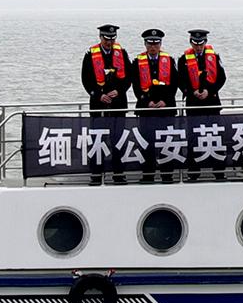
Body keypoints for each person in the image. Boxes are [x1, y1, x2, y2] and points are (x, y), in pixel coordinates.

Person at [80, 23, 130, 185]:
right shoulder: (90, 55)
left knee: (118, 139)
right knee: (97, 139)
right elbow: (86, 79)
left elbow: (129, 78)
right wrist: (98, 95)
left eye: (112, 39)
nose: (109, 42)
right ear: (100, 37)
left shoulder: (122, 53)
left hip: (118, 104)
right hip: (99, 104)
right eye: (106, 39)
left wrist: (119, 91)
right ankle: (96, 174)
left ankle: (118, 173)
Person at [178, 28, 227, 181]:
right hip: (193, 104)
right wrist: (191, 92)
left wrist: (209, 91)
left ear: (205, 42)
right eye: (195, 43)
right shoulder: (183, 59)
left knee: (216, 136)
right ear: (191, 42)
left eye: (201, 43)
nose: (198, 46)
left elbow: (222, 78)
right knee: (193, 137)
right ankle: (193, 172)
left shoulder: (214, 57)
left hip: (211, 102)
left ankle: (219, 171)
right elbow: (180, 80)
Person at [131, 28, 179, 183]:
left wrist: (166, 101)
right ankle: (148, 174)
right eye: (150, 44)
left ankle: (167, 175)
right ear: (145, 44)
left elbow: (174, 84)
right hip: (147, 109)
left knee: (167, 142)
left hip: (166, 109)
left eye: (156, 44)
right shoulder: (137, 62)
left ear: (160, 44)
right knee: (146, 142)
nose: (153, 47)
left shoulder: (169, 60)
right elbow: (136, 85)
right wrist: (147, 102)